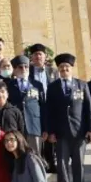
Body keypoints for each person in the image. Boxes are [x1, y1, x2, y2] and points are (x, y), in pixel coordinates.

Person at [46, 53, 91, 182]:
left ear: (71, 68)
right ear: (58, 70)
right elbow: (49, 111)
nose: (64, 69)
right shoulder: (53, 87)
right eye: (61, 67)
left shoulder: (82, 85)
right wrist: (51, 131)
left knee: (78, 164)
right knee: (61, 164)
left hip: (79, 132)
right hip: (61, 133)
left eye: (67, 67)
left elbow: (88, 108)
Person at [7, 56, 46, 157]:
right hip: (17, 126)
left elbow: (43, 107)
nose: (24, 69)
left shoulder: (37, 85)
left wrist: (45, 129)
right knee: (19, 156)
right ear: (14, 70)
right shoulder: (8, 85)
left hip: (34, 126)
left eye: (26, 67)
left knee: (36, 157)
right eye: (20, 67)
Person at [29, 44, 59, 172]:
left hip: (51, 106)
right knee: (38, 135)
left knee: (51, 135)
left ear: (45, 56)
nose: (38, 56)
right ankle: (39, 161)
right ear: (31, 57)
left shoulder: (53, 71)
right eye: (35, 54)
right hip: (35, 107)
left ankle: (52, 162)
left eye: (40, 54)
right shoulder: (28, 71)